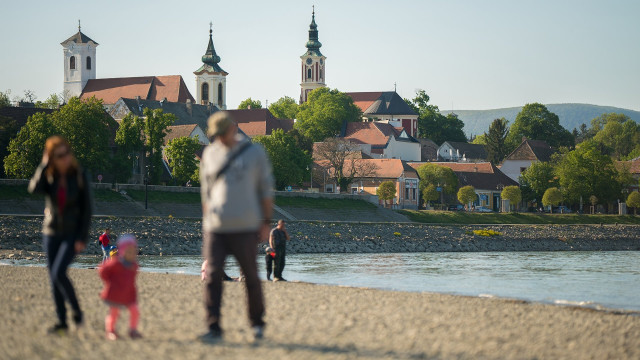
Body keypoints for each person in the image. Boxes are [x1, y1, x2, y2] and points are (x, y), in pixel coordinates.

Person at [199, 111, 274, 342]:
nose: (219, 139)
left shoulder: (254, 153)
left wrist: (265, 222)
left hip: (245, 225)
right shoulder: (209, 154)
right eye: (215, 135)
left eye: (222, 134)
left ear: (232, 128)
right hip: (216, 227)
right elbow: (206, 193)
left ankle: (257, 324)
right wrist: (206, 222)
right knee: (212, 276)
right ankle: (213, 327)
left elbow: (266, 190)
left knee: (250, 276)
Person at [28, 136, 92, 334]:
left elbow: (87, 209)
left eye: (66, 153)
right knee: (53, 276)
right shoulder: (50, 176)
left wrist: (83, 237)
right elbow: (33, 189)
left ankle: (76, 311)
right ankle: (62, 322)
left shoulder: (80, 175)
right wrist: (44, 164)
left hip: (72, 233)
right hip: (51, 232)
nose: (65, 158)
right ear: (53, 157)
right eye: (59, 155)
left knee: (58, 272)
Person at [98, 234, 143, 340]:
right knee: (114, 313)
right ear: (122, 251)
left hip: (128, 294)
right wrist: (109, 282)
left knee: (135, 311)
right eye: (129, 251)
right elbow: (102, 271)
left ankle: (133, 330)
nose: (132, 254)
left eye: (133, 252)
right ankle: (111, 331)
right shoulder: (115, 263)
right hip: (115, 294)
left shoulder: (134, 265)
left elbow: (132, 281)